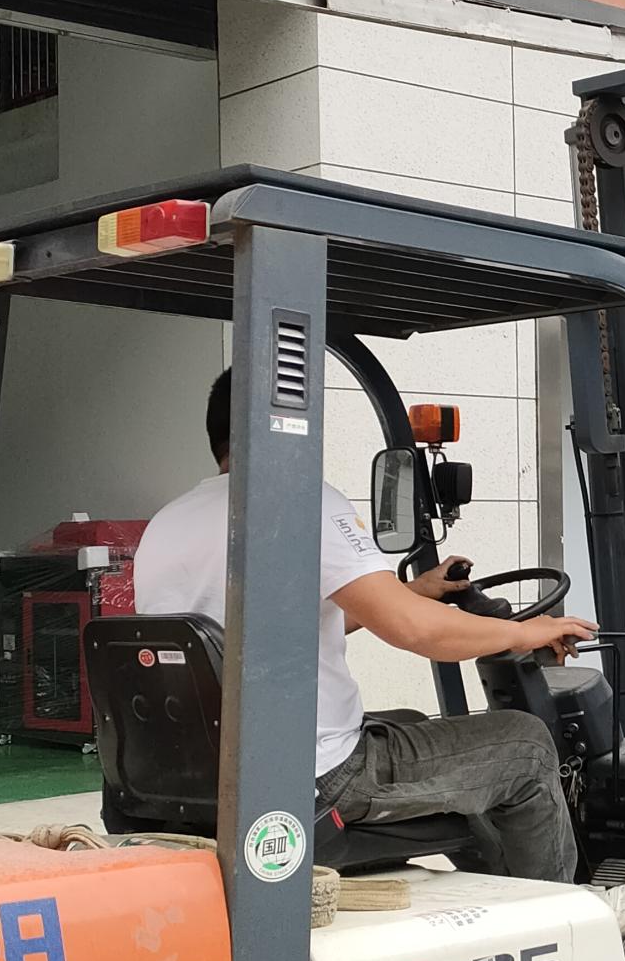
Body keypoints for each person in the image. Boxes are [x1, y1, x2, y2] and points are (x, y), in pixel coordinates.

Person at [133, 370, 595, 883]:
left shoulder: (167, 522)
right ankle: (566, 909)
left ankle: (493, 889)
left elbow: (280, 628)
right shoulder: (299, 501)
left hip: (211, 772)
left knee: (412, 720)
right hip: (317, 777)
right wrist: (526, 632)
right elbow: (415, 632)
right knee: (525, 744)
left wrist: (413, 592)